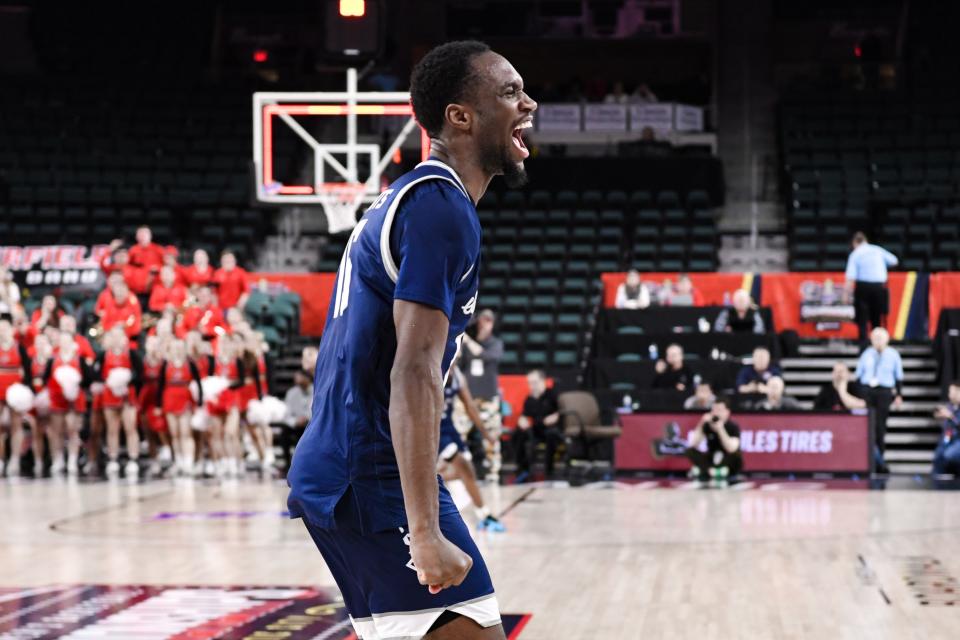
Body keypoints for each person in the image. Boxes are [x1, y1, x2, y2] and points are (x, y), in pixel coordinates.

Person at [287, 40, 532, 639]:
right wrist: (423, 530)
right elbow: (414, 371)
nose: (528, 102)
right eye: (509, 91)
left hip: (349, 468)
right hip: (369, 475)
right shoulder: (438, 207)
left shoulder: (405, 199)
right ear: (460, 116)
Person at [438, 366, 504, 531]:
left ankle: (427, 478)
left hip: (449, 428)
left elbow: (470, 407)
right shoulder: (434, 367)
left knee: (468, 472)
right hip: (433, 429)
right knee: (464, 468)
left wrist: (486, 434)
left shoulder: (458, 374)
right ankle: (483, 513)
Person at [460, 308, 505, 482]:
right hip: (467, 397)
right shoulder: (467, 345)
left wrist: (468, 340)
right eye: (482, 320)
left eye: (488, 320)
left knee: (491, 433)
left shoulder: (495, 343)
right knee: (458, 433)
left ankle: (493, 473)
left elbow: (486, 357)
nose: (483, 323)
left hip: (488, 397)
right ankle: (459, 470)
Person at [854, 327, 903, 473]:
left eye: (881, 338)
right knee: (866, 426)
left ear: (887, 340)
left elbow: (899, 376)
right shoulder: (866, 354)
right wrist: (860, 395)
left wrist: (899, 395)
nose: (878, 341)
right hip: (867, 391)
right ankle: (865, 460)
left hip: (884, 392)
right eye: (875, 338)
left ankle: (879, 461)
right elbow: (858, 375)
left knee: (880, 427)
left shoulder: (893, 355)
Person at [97, 327, 143, 480]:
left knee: (130, 427)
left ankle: (133, 459)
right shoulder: (104, 355)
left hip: (127, 396)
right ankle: (113, 459)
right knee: (112, 428)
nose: (116, 339)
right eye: (113, 335)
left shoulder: (131, 354)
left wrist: (127, 380)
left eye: (119, 335)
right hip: (110, 396)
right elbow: (97, 375)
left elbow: (140, 374)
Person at [159, 338, 203, 477]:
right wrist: (158, 405)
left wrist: (200, 402)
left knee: (186, 433)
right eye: (174, 347)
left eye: (179, 347)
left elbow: (198, 384)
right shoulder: (166, 364)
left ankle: (188, 462)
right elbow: (160, 386)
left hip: (185, 399)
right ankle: (178, 461)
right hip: (169, 399)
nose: (177, 350)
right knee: (174, 434)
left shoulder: (190, 363)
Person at [844, 232, 898, 344]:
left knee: (862, 319)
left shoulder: (855, 253)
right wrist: (882, 266)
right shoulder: (877, 250)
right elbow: (894, 261)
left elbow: (850, 277)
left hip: (863, 288)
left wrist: (846, 294)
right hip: (878, 287)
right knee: (876, 318)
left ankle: (863, 347)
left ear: (855, 243)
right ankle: (879, 344)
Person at [513, 369, 562, 483]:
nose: (532, 386)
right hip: (536, 429)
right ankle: (523, 468)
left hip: (552, 428)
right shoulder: (530, 399)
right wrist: (522, 420)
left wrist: (556, 416)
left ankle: (549, 471)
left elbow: (561, 411)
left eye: (534, 382)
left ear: (543, 381)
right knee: (518, 433)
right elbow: (524, 415)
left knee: (551, 435)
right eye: (529, 383)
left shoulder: (552, 394)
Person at [686, 395, 742, 483]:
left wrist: (720, 430)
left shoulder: (733, 426)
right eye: (714, 410)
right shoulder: (707, 425)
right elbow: (693, 444)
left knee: (736, 456)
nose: (716, 413)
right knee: (689, 451)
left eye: (719, 410)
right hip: (711, 459)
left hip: (726, 459)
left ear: (727, 412)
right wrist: (701, 423)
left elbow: (732, 448)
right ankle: (712, 472)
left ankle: (705, 471)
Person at [0, 319, 30, 477]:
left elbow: (28, 370)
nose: (2, 331)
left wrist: (26, 389)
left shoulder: (19, 347)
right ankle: (0, 459)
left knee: (16, 426)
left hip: (14, 392)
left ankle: (15, 459)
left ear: (11, 330)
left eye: (5, 328)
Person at [281, 369, 313, 469]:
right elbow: (287, 415)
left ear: (307, 378)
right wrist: (295, 421)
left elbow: (316, 409)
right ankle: (288, 465)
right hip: (296, 424)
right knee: (284, 433)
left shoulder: (317, 390)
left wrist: (307, 418)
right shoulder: (291, 393)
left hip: (311, 424)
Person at [932, 382, 960, 477]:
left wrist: (950, 416)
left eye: (951, 391)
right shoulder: (950, 406)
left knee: (949, 455)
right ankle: (938, 480)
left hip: (958, 439)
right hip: (948, 438)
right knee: (939, 454)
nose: (949, 394)